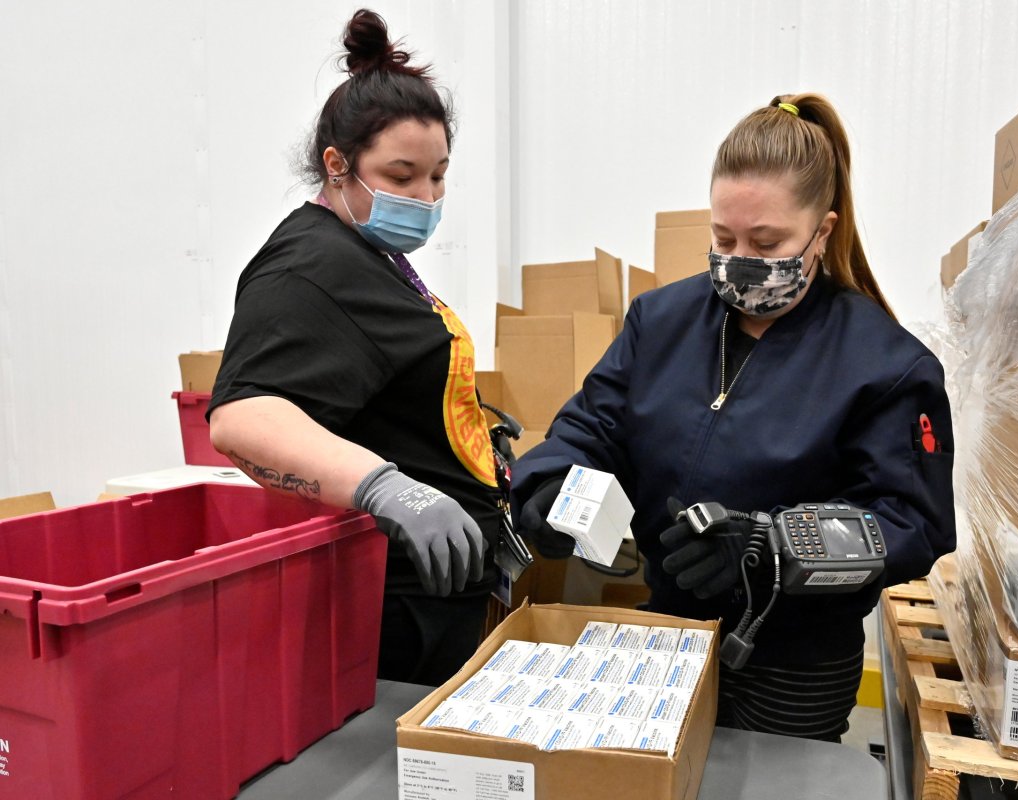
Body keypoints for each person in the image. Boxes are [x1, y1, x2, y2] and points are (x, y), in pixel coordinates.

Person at [511, 94, 955, 741]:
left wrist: (767, 547)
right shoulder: (659, 323)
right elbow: (591, 428)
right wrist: (548, 482)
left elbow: (911, 525)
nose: (739, 256)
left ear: (822, 232)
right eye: (723, 239)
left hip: (796, 663)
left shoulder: (883, 363)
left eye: (766, 241)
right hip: (669, 635)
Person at [208, 9, 499, 685]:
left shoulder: (370, 252)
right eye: (401, 177)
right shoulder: (307, 267)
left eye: (439, 176)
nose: (426, 198)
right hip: (389, 605)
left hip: (438, 591)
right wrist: (387, 489)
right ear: (337, 166)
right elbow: (242, 417)